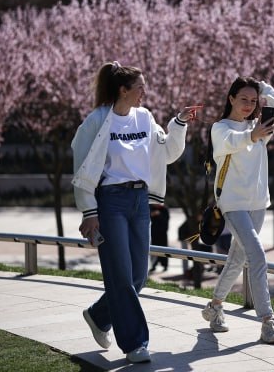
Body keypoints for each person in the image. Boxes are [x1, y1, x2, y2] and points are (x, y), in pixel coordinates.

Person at [71, 61, 197, 363]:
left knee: (138, 274)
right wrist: (89, 211)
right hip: (109, 201)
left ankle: (99, 316)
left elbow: (166, 153)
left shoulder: (144, 118)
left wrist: (178, 123)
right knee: (120, 275)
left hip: (140, 201)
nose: (145, 92)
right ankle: (135, 343)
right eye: (140, 87)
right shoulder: (97, 120)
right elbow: (81, 164)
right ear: (123, 90)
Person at [201, 76, 274, 344]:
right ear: (230, 99)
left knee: (237, 259)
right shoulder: (221, 128)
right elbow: (233, 142)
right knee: (257, 256)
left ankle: (214, 306)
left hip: (258, 203)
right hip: (233, 204)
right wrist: (253, 135)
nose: (249, 105)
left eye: (253, 100)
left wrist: (264, 89)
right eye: (243, 99)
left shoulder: (260, 125)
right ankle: (267, 321)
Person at [149, 204, 169, 273]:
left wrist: (159, 215)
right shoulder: (151, 208)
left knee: (164, 250)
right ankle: (153, 265)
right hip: (154, 233)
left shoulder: (164, 209)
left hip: (163, 233)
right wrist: (152, 214)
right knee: (154, 250)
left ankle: (165, 265)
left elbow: (166, 220)